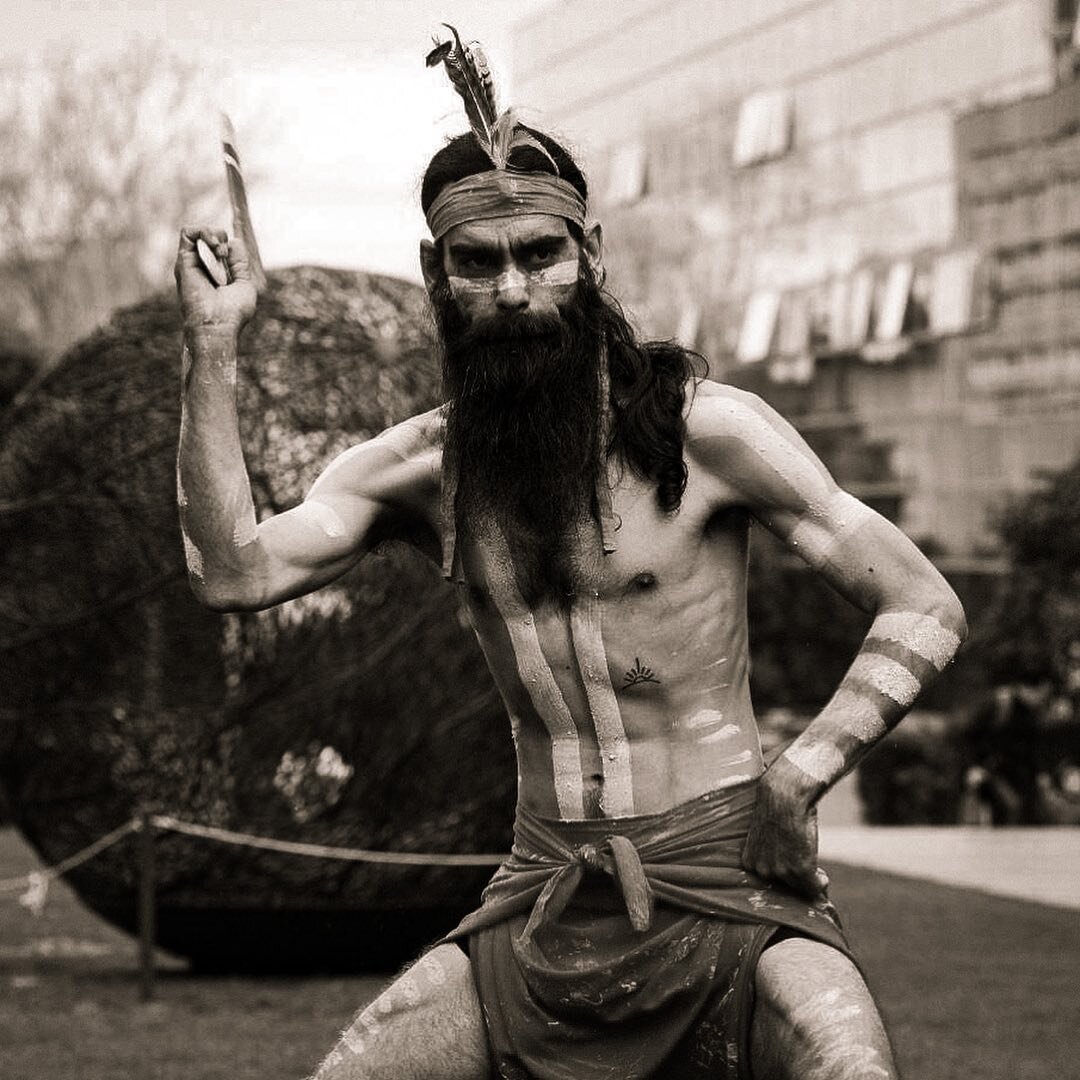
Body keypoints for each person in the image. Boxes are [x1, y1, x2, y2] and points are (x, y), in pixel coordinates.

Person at [174, 31, 966, 1080]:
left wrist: (798, 778)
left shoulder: (712, 435)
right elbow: (233, 572)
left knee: (848, 1066)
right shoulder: (419, 471)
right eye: (477, 262)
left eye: (538, 255)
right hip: (539, 893)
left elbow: (923, 605)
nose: (512, 290)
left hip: (726, 883)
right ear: (435, 271)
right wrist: (214, 348)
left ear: (590, 253)